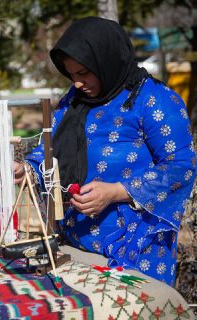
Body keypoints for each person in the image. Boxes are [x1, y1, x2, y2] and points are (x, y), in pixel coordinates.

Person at [16, 17, 196, 286]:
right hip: (74, 246)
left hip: (136, 250)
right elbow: (51, 149)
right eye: (71, 75)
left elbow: (180, 165)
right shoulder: (75, 101)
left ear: (107, 61)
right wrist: (28, 169)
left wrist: (116, 192)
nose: (77, 83)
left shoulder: (154, 99)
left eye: (84, 73)